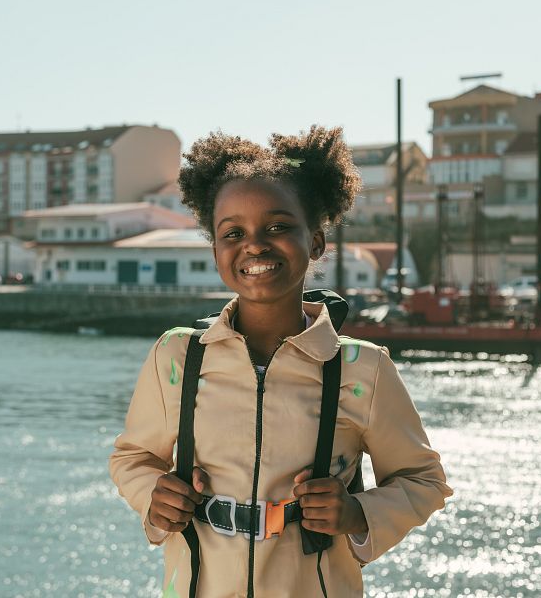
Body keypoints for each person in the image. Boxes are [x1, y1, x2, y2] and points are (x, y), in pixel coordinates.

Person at [109, 126, 452, 597]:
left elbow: (424, 480)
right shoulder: (177, 357)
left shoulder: (362, 370)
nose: (254, 244)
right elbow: (133, 457)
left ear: (315, 242)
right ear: (215, 251)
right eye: (233, 232)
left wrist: (357, 514)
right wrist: (154, 495)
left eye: (277, 227)